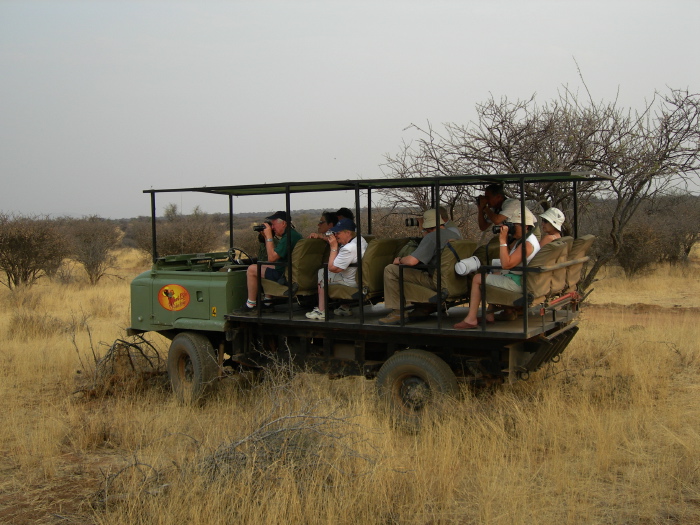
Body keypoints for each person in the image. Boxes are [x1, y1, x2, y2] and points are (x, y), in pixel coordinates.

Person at [454, 207, 540, 329]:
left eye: (516, 225)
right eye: (512, 225)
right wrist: (509, 237)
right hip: (519, 276)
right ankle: (489, 315)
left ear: (526, 226)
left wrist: (502, 240)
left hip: (518, 282)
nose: (513, 228)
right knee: (493, 268)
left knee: (478, 278)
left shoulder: (527, 244)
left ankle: (471, 319)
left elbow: (507, 264)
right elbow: (510, 257)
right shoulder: (525, 239)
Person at [379, 209, 460, 325]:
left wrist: (400, 260)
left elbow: (412, 261)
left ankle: (397, 312)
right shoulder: (454, 235)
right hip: (453, 281)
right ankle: (423, 307)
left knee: (391, 270)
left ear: (427, 226)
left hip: (438, 282)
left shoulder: (432, 237)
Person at [235, 211, 302, 315]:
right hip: (290, 271)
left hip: (285, 275)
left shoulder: (288, 237)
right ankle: (267, 303)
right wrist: (266, 237)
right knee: (262, 265)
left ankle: (250, 305)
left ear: (283, 223)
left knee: (252, 269)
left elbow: (271, 258)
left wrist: (269, 236)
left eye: (274, 224)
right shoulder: (293, 234)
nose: (273, 228)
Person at [306, 218, 368, 320]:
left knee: (322, 272)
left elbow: (332, 268)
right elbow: (341, 244)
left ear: (347, 232)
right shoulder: (360, 240)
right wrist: (321, 237)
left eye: (337, 233)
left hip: (350, 280)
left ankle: (321, 311)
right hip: (357, 275)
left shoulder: (349, 248)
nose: (335, 235)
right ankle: (344, 307)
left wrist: (333, 247)